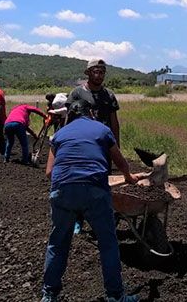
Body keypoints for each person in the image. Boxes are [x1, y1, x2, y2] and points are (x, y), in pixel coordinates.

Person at [40, 99, 140, 302]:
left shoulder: (59, 134)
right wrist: (129, 177)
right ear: (91, 113)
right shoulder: (102, 129)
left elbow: (49, 172)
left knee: (57, 244)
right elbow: (119, 160)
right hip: (94, 190)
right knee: (108, 243)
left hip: (62, 191)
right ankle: (115, 296)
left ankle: (49, 295)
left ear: (70, 115)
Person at [66, 59, 120, 146]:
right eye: (96, 72)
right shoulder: (77, 93)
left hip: (105, 143)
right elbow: (69, 120)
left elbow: (114, 124)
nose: (99, 75)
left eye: (102, 72)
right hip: (83, 142)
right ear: (88, 73)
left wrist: (117, 147)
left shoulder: (109, 95)